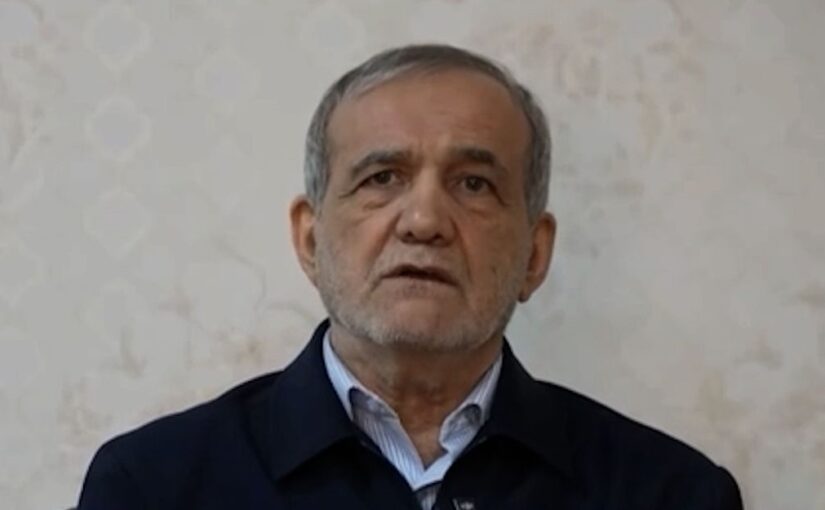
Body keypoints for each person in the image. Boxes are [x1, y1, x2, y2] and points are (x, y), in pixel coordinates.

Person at [77, 44, 743, 509]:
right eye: (381, 178)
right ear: (310, 240)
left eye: (474, 184)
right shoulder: (152, 486)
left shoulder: (672, 493)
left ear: (534, 255)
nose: (423, 220)